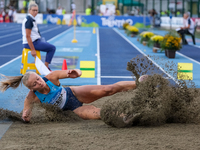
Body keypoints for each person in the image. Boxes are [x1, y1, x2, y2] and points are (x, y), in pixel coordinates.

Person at [0, 69, 148, 123]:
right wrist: (25, 116)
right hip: (71, 110)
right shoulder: (31, 98)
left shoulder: (51, 77)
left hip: (74, 93)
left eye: (38, 78)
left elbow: (73, 72)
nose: (39, 83)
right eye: (35, 84)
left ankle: (139, 83)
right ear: (31, 88)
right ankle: (129, 116)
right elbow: (27, 116)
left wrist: (75, 73)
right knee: (99, 113)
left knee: (108, 89)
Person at [22, 1, 56, 70]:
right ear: (29, 10)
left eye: (36, 10)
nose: (35, 12)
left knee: (45, 42)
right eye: (33, 10)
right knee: (52, 48)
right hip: (32, 43)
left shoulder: (31, 19)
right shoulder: (29, 20)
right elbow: (28, 36)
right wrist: (33, 50)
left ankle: (45, 66)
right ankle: (45, 67)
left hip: (36, 40)